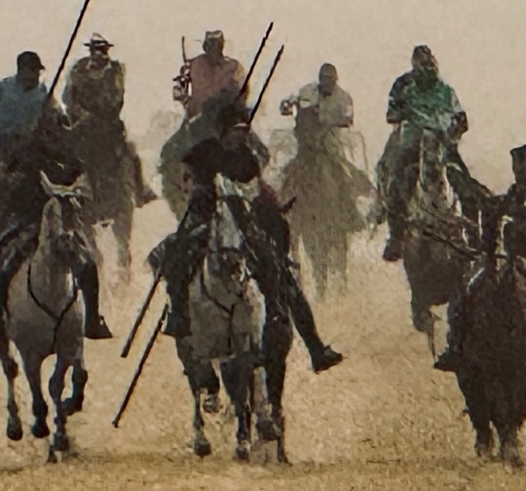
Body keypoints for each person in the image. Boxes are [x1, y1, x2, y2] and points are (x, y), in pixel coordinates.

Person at [157, 101, 344, 373]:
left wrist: (268, 211)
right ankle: (179, 315)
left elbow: (256, 191)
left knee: (281, 275)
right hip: (206, 216)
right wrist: (196, 188)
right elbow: (183, 176)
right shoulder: (204, 151)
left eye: (243, 130)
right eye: (235, 130)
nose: (240, 135)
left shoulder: (247, 157)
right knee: (179, 256)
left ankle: (314, 346)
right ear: (223, 131)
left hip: (244, 222)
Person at [0, 107, 114, 354]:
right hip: (27, 221)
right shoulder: (23, 154)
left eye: (57, 128)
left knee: (88, 265)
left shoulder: (68, 158)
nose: (53, 133)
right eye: (49, 128)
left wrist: (74, 192)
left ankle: (92, 319)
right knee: (0, 267)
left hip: (61, 224)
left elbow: (83, 181)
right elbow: (7, 185)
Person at [433, 144, 526, 376]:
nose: (514, 168)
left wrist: (518, 229)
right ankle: (455, 345)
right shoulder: (514, 192)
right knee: (466, 293)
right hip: (498, 255)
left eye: (517, 163)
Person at [378, 45, 467, 262]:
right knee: (397, 183)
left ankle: (471, 235)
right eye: (422, 67)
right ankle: (396, 237)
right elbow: (391, 114)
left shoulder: (446, 91)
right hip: (412, 143)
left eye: (429, 66)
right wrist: (403, 112)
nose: (426, 71)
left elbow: (461, 118)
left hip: (441, 145)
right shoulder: (405, 87)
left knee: (465, 183)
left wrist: (454, 130)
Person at [63, 33, 157, 207]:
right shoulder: (78, 69)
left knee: (130, 152)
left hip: (108, 124)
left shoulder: (115, 70)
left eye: (102, 50)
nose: (98, 54)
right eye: (95, 50)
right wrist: (81, 114)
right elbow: (68, 97)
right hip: (82, 124)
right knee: (67, 153)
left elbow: (117, 98)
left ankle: (141, 190)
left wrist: (101, 113)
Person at [177, 30, 245, 121]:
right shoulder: (195, 64)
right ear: (205, 47)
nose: (213, 49)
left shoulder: (233, 66)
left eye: (216, 45)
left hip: (226, 121)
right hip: (197, 121)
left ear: (221, 46)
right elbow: (180, 85)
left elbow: (243, 90)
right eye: (210, 45)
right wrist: (185, 99)